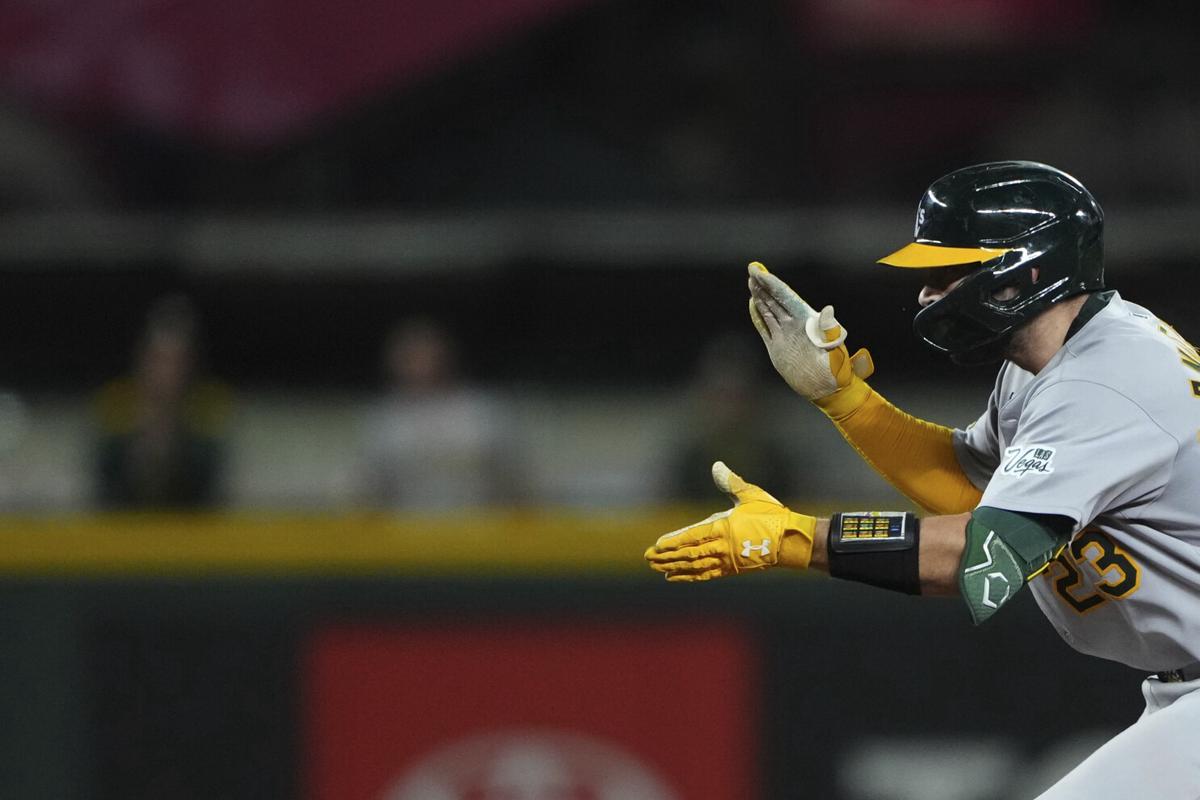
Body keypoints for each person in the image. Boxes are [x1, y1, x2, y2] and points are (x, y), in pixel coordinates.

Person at [644, 161, 1200, 798]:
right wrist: (848, 401)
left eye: (948, 272)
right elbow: (974, 490)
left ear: (1028, 271)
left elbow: (979, 558)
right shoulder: (1059, 358)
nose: (928, 295)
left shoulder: (1103, 380)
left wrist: (794, 539)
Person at [356, 318, 521, 510]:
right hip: (408, 524)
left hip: (479, 522)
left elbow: (514, 475)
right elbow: (368, 484)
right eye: (411, 358)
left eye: (427, 356)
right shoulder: (386, 420)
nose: (420, 366)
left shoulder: (481, 413)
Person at [94, 294, 231, 509]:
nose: (166, 373)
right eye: (159, 360)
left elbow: (208, 504)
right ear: (142, 363)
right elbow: (104, 499)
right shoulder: (113, 436)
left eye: (176, 363)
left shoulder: (205, 443)